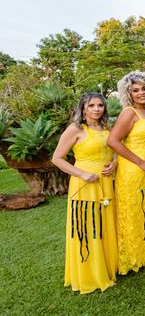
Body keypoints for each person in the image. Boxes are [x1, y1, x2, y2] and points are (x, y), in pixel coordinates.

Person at [52, 93, 118, 294]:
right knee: (89, 226)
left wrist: (114, 163)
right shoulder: (75, 129)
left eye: (100, 105)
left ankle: (108, 267)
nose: (97, 109)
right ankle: (90, 273)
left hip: (106, 182)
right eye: (92, 105)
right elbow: (57, 158)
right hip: (85, 183)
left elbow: (116, 150)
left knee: (106, 223)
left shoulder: (107, 128)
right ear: (83, 108)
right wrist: (82, 173)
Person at [107, 71, 145, 273]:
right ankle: (140, 256)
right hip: (135, 169)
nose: (141, 93)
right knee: (137, 211)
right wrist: (139, 162)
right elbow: (113, 141)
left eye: (144, 89)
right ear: (128, 94)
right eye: (135, 90)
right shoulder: (129, 113)